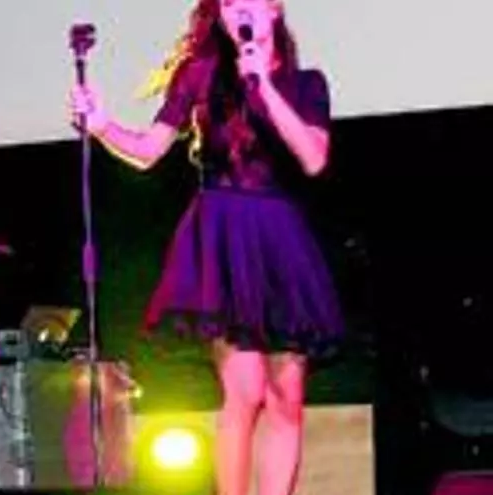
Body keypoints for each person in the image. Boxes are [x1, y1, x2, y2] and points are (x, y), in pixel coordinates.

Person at [68, 1, 344, 494]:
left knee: (286, 394)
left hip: (279, 240)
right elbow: (149, 150)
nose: (240, 11)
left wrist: (263, 85)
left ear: (274, 9)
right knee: (245, 392)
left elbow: (314, 158)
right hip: (222, 236)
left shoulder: (307, 84)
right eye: (229, 4)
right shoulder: (200, 74)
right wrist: (103, 125)